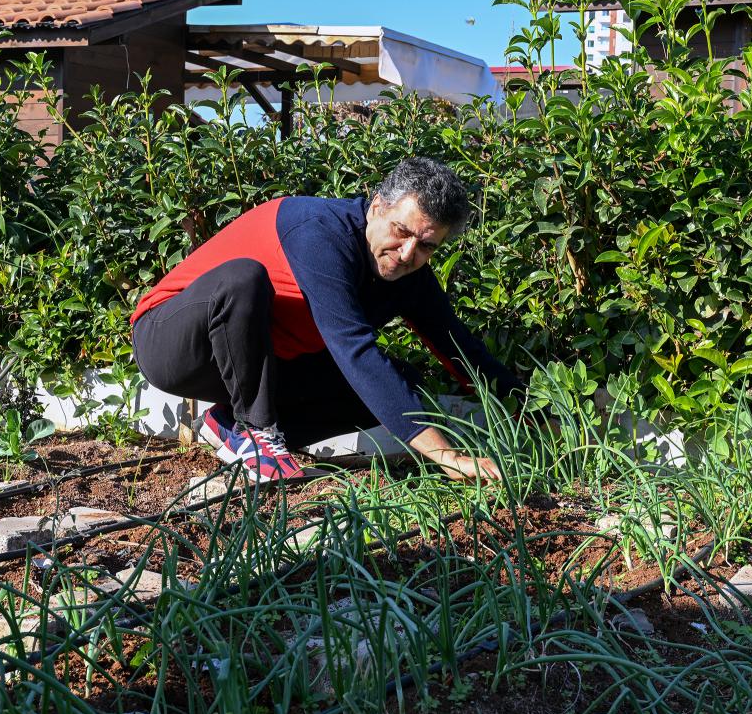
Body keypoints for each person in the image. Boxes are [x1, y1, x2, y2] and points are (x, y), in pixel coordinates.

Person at [130, 157, 522, 482]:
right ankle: (256, 431)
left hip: (255, 367)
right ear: (377, 207)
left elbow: (457, 347)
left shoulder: (408, 276)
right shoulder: (321, 234)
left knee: (404, 386)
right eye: (400, 232)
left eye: (426, 246)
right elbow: (355, 351)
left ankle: (232, 424)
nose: (406, 254)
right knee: (243, 279)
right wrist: (445, 455)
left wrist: (535, 413)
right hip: (172, 343)